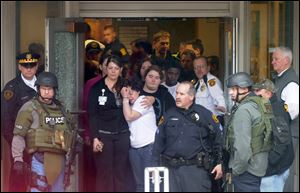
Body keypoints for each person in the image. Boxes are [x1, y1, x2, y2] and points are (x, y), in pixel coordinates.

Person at [11, 72, 77, 192]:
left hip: (60, 160)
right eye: (43, 89)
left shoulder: (61, 109)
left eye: (49, 89)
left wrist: (78, 142)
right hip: (39, 159)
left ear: (54, 90)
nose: (46, 92)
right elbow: (18, 136)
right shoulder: (30, 108)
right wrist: (17, 159)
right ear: (38, 89)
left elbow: (71, 130)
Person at [153, 81, 223, 192]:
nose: (177, 97)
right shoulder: (168, 114)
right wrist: (155, 167)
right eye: (177, 93)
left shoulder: (204, 114)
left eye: (182, 94)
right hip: (171, 171)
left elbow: (218, 139)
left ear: (191, 96)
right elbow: (158, 143)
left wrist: (220, 163)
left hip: (195, 171)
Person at [88, 55, 133, 192]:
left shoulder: (126, 86)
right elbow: (92, 114)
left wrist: (151, 99)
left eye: (116, 68)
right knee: (104, 173)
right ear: (105, 69)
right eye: (110, 68)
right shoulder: (96, 88)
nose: (113, 71)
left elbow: (138, 103)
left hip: (122, 135)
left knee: (121, 172)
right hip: (103, 135)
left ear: (121, 70)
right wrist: (95, 138)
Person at [224, 72, 270, 192]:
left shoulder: (243, 110)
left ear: (244, 89)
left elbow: (242, 147)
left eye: (234, 89)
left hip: (246, 171)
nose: (230, 92)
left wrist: (236, 170)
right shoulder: (259, 103)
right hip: (259, 167)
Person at [1, 52, 40, 192]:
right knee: (19, 180)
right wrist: (16, 144)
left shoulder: (44, 84)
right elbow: (5, 121)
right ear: (19, 67)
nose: (28, 69)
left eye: (32, 65)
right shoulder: (12, 88)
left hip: (41, 143)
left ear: (37, 66)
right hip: (21, 143)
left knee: (40, 180)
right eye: (25, 65)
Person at [253, 79, 294, 192]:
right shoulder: (268, 106)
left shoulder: (275, 109)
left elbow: (282, 140)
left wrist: (269, 162)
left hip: (274, 170)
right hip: (274, 167)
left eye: (258, 91)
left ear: (268, 93)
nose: (255, 94)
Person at [121, 80, 157, 192]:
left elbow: (129, 117)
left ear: (138, 92)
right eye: (127, 93)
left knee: (151, 184)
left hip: (149, 147)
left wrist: (125, 99)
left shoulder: (143, 100)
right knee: (140, 184)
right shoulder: (128, 105)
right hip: (135, 149)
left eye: (131, 93)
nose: (129, 96)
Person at [271, 46, 299, 191]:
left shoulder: (291, 82)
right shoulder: (281, 78)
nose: (272, 62)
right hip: (281, 135)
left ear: (286, 61)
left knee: (283, 174)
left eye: (276, 59)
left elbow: (292, 112)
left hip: (287, 136)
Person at [81, 54, 109, 192]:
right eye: (107, 66)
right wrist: (87, 133)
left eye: (114, 67)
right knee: (94, 172)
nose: (111, 70)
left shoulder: (122, 85)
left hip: (115, 134)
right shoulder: (92, 84)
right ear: (101, 67)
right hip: (94, 132)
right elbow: (86, 110)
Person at [193, 56, 226, 126]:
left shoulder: (211, 81)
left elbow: (220, 100)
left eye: (201, 66)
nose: (199, 70)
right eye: (196, 68)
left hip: (210, 123)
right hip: (200, 123)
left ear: (208, 68)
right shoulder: (197, 84)